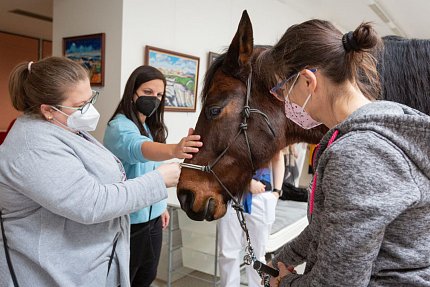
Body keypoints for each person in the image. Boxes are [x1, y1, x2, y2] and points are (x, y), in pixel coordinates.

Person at [265, 20, 430, 286]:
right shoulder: (386, 121)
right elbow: (324, 225)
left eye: (283, 90)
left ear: (308, 81)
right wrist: (281, 259)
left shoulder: (357, 153)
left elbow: (338, 283)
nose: (287, 103)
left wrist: (283, 283)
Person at [0, 57, 181, 287]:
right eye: (79, 106)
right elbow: (91, 203)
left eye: (90, 99)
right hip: (49, 272)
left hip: (88, 264)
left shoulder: (65, 127)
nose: (89, 111)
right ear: (47, 110)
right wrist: (158, 181)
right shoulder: (33, 148)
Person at [103, 65, 202, 287]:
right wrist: (175, 149)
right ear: (133, 92)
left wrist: (161, 206)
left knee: (147, 277)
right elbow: (140, 149)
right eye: (148, 93)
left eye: (159, 95)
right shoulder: (119, 127)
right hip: (130, 222)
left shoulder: (147, 125)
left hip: (153, 219)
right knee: (125, 280)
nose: (154, 99)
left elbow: (151, 169)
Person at [218, 150, 284, 287]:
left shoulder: (268, 130)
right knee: (227, 253)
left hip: (261, 196)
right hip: (232, 193)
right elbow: (219, 159)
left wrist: (277, 193)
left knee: (257, 255)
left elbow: (278, 156)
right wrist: (245, 182)